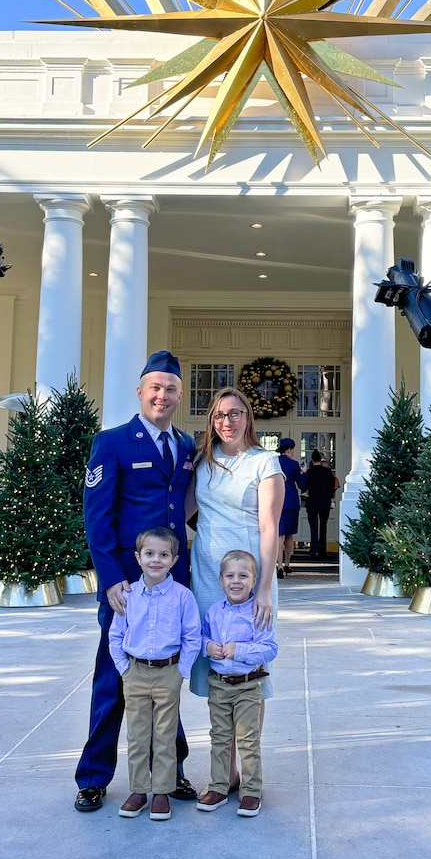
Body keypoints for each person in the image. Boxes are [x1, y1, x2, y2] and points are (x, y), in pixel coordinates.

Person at [75, 350, 198, 813]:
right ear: (141, 392)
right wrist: (109, 578)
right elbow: (97, 517)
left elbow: (184, 506)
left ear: (179, 396)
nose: (162, 396)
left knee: (166, 675)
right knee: (114, 677)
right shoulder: (111, 443)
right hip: (126, 586)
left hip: (172, 585)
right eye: (155, 387)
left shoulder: (186, 446)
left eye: (170, 389)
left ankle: (171, 770)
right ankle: (93, 777)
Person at [187, 387, 282, 793]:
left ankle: (251, 767)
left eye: (236, 413)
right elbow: (185, 511)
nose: (228, 421)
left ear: (248, 417)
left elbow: (269, 527)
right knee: (216, 666)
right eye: (220, 415)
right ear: (212, 420)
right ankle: (223, 773)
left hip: (249, 574)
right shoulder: (202, 462)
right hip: (208, 572)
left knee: (248, 667)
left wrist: (263, 587)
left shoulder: (266, 462)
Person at [108, 528, 201, 821]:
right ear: (138, 558)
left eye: (163, 555)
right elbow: (115, 635)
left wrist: (181, 671)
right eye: (150, 554)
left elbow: (192, 637)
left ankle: (161, 792)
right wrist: (124, 669)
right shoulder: (128, 595)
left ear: (174, 560)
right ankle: (138, 790)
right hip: (135, 672)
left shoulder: (183, 597)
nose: (156, 560)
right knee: (136, 735)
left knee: (164, 734)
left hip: (168, 673)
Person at [196, 550, 277, 818]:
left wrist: (238, 650)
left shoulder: (258, 611)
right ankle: (220, 785)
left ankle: (252, 790)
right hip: (218, 685)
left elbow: (269, 648)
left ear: (254, 581)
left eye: (243, 576)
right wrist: (208, 647)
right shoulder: (214, 612)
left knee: (247, 739)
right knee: (219, 737)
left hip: (247, 686)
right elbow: (200, 638)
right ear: (220, 581)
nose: (236, 581)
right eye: (230, 575)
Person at [275, 438, 305, 576]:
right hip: (291, 501)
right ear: (289, 450)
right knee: (289, 535)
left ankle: (279, 566)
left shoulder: (274, 462)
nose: (293, 452)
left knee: (279, 534)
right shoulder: (294, 465)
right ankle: (287, 564)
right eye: (292, 450)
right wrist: (304, 472)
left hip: (276, 501)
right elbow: (302, 484)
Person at [303, 450, 339, 560]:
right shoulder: (328, 472)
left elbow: (304, 487)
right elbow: (331, 487)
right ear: (320, 460)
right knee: (323, 526)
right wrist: (330, 497)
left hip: (312, 502)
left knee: (313, 527)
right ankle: (323, 551)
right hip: (324, 501)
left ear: (312, 460)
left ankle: (314, 550)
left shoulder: (309, 472)